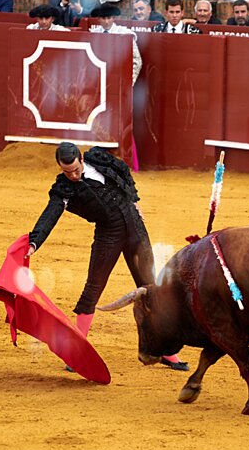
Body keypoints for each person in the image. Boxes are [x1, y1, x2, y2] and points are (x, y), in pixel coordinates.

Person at [26, 143, 189, 371]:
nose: (73, 175)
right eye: (67, 172)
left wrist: (133, 201)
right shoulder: (64, 189)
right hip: (108, 234)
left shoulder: (99, 160)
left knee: (151, 287)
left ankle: (167, 351)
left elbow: (123, 171)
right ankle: (76, 348)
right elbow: (49, 215)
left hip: (134, 228)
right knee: (93, 287)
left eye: (75, 169)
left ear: (81, 159)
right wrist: (34, 241)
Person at [89, 5, 142, 84]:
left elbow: (137, 60)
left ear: (113, 18)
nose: (106, 21)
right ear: (98, 19)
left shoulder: (124, 33)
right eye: (103, 18)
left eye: (109, 18)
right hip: (97, 80)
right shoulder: (93, 34)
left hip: (119, 79)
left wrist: (130, 81)